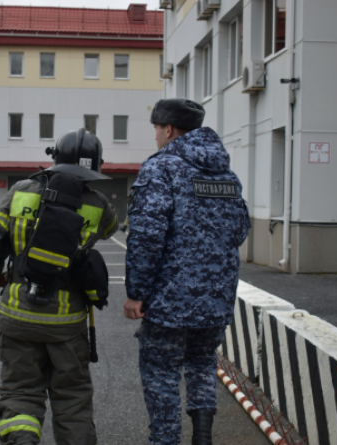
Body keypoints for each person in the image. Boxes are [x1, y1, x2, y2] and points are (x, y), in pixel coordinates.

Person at [0, 129, 118, 445]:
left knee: (21, 393)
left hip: (17, 316)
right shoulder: (98, 205)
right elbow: (110, 229)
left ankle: (22, 439)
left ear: (55, 157)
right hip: (68, 325)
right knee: (73, 400)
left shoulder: (20, 192)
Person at [124, 99, 251, 445]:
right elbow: (240, 230)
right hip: (216, 298)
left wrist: (136, 292)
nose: (155, 138)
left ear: (169, 129)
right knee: (201, 362)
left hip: (170, 301)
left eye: (156, 130)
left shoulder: (160, 168)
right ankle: (203, 438)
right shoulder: (227, 174)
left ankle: (166, 440)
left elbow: (147, 236)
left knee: (161, 371)